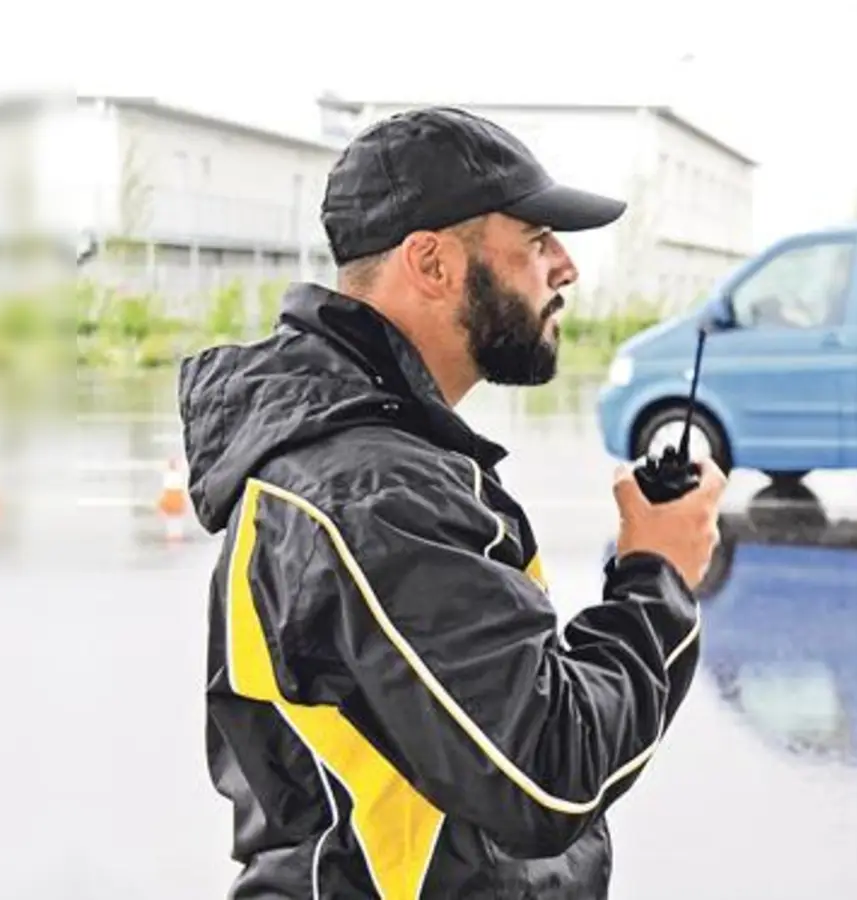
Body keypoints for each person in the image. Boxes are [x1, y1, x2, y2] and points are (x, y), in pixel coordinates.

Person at [177, 106, 726, 900]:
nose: (565, 267)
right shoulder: (372, 491)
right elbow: (546, 768)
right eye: (537, 241)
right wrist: (658, 578)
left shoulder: (387, 455)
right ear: (432, 263)